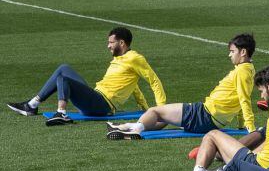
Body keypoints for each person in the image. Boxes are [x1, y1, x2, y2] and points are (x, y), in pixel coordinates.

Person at [106, 34, 257, 139]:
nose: (229, 55)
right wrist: (241, 126)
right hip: (208, 116)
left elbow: (244, 100)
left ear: (243, 52)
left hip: (204, 115)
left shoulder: (242, 72)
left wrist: (250, 128)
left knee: (154, 111)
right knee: (165, 118)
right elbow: (241, 98)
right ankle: (126, 126)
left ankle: (135, 130)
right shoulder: (248, 70)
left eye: (232, 51)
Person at [7, 26, 166, 127]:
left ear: (122, 43)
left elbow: (153, 80)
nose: (108, 45)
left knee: (64, 79)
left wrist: (160, 110)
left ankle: (61, 113)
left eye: (111, 42)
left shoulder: (135, 58)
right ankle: (32, 105)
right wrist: (143, 107)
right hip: (95, 98)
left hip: (102, 105)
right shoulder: (120, 59)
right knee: (64, 68)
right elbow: (134, 86)